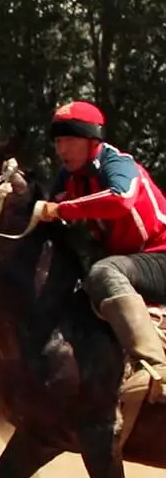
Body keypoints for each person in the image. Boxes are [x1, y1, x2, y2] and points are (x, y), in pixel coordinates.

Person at [32, 100, 166, 402]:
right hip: (131, 266)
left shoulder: (117, 164)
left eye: (69, 140)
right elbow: (46, 217)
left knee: (104, 272)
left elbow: (121, 199)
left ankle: (158, 367)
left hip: (160, 256)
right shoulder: (68, 178)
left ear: (92, 141)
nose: (61, 149)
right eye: (57, 141)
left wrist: (60, 209)